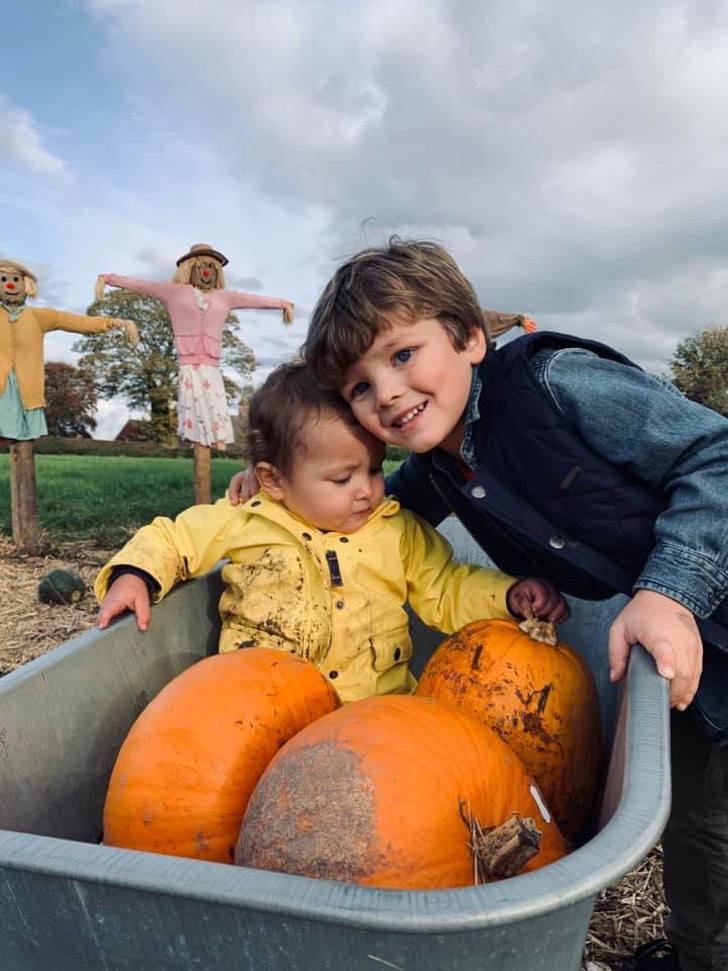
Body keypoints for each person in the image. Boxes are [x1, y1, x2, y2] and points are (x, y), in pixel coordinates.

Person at [228, 238, 728, 971]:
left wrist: (666, 590)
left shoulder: (558, 382)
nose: (387, 394)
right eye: (361, 387)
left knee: (709, 814)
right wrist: (277, 502)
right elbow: (379, 516)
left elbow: (714, 453)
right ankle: (700, 954)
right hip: (684, 646)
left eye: (401, 356)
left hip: (700, 584)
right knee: (700, 817)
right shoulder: (442, 464)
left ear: (467, 336)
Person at [95, 360, 567, 705]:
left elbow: (444, 589)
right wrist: (134, 574)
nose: (366, 491)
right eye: (343, 479)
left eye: (376, 470)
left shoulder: (396, 531)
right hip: (266, 713)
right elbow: (175, 538)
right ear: (275, 479)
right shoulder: (247, 519)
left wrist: (505, 597)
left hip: (376, 713)